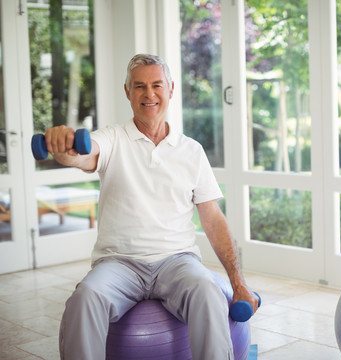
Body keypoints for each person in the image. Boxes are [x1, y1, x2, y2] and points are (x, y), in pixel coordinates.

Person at [48, 54, 259, 359]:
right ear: (127, 92)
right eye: (139, 86)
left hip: (177, 261)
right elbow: (83, 156)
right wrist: (64, 149)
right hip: (118, 263)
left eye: (157, 85)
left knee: (207, 292)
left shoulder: (191, 151)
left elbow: (212, 219)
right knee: (85, 298)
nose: (149, 94)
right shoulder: (112, 139)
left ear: (171, 89)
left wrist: (238, 283)